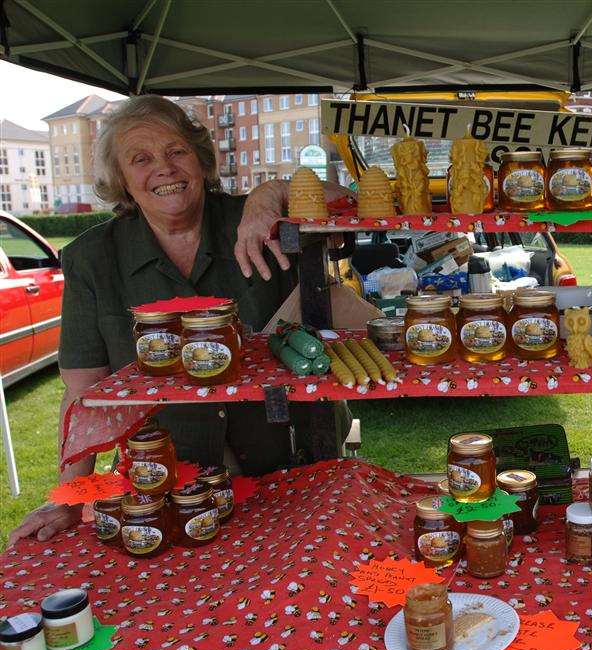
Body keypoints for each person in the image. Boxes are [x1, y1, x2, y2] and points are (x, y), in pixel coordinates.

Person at [10, 95, 352, 544]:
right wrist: (72, 498)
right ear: (120, 179)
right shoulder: (93, 259)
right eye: (141, 158)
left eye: (176, 151)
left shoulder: (258, 219)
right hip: (169, 488)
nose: (165, 168)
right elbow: (84, 395)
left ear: (200, 159)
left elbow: (353, 204)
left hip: (292, 464)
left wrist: (272, 193)